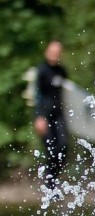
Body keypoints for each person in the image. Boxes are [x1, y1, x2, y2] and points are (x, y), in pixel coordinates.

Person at [33, 40, 69, 189]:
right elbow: (38, 95)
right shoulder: (42, 71)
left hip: (59, 115)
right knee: (51, 150)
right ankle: (49, 184)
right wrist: (39, 117)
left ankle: (53, 180)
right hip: (45, 116)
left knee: (63, 147)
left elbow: (67, 94)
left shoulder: (62, 71)